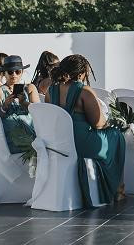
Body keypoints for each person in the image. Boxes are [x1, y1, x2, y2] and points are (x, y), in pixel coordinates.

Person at [47, 54, 125, 206]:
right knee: (117, 136)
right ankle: (117, 189)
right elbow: (99, 124)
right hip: (80, 143)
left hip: (59, 142)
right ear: (82, 73)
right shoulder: (84, 91)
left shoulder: (51, 90)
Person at [0, 55, 40, 153]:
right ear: (4, 73)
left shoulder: (30, 88)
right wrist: (5, 106)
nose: (14, 75)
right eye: (10, 72)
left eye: (18, 71)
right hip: (12, 137)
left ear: (22, 72)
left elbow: (39, 113)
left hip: (31, 134)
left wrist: (24, 103)